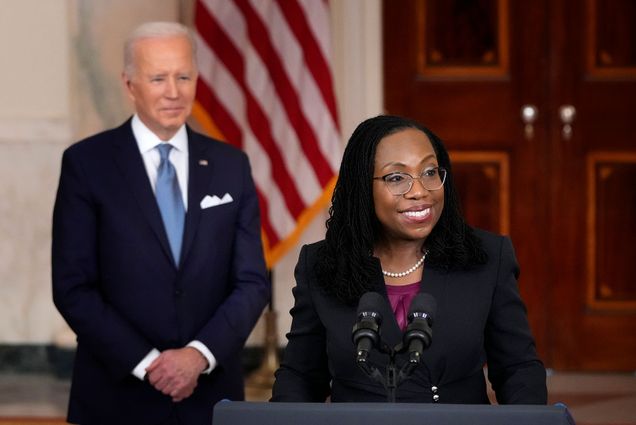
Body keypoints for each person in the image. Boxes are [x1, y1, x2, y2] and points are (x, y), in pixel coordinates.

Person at [52, 22, 270, 424]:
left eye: (183, 76)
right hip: (115, 399)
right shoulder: (87, 165)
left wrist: (197, 356)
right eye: (158, 78)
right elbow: (72, 287)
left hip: (210, 400)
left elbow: (252, 282)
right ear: (129, 83)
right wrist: (150, 364)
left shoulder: (230, 166)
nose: (174, 91)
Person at [271, 115, 547, 404]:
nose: (419, 191)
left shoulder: (487, 258)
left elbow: (518, 369)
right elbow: (301, 376)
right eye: (396, 177)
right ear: (363, 186)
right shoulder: (321, 264)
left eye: (430, 172)